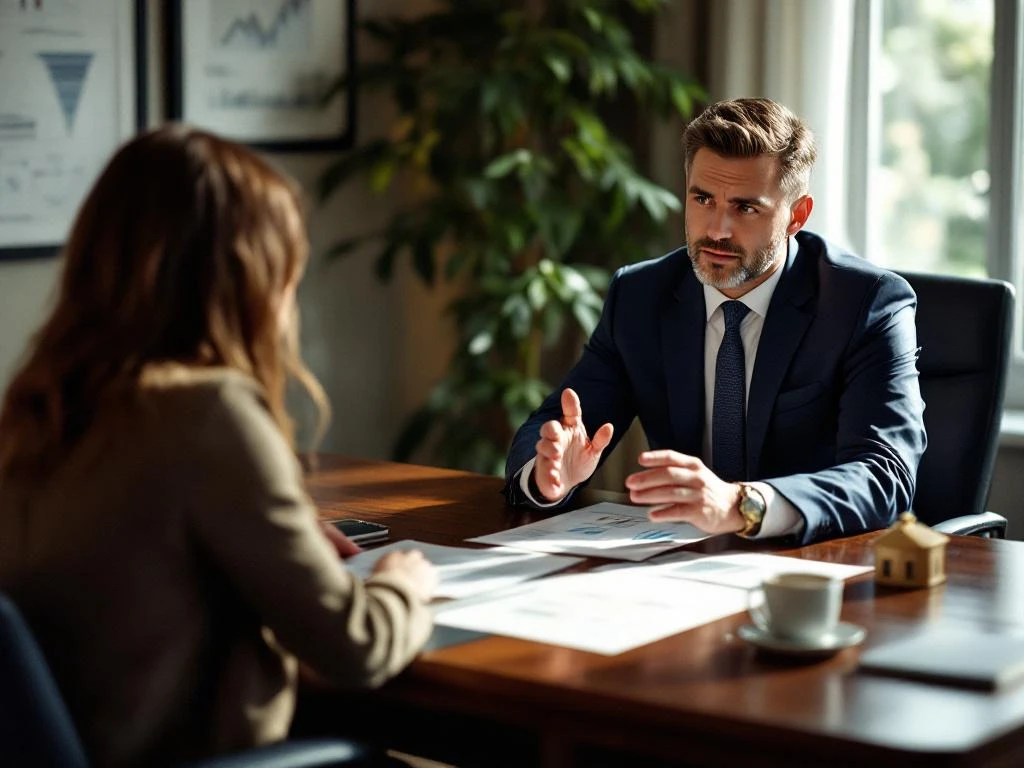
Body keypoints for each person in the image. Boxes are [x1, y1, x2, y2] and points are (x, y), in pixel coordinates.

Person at [0, 125, 438, 766]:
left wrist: (268, 546)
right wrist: (402, 584)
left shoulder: (39, 406)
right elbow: (356, 646)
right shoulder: (207, 411)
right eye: (287, 274)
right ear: (246, 280)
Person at [504, 97, 926, 545]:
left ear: (796, 216)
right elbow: (560, 423)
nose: (717, 229)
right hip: (681, 562)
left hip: (810, 570)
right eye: (702, 199)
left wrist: (742, 504)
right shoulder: (641, 295)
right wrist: (548, 476)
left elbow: (885, 477)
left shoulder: (865, 303)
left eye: (746, 208)